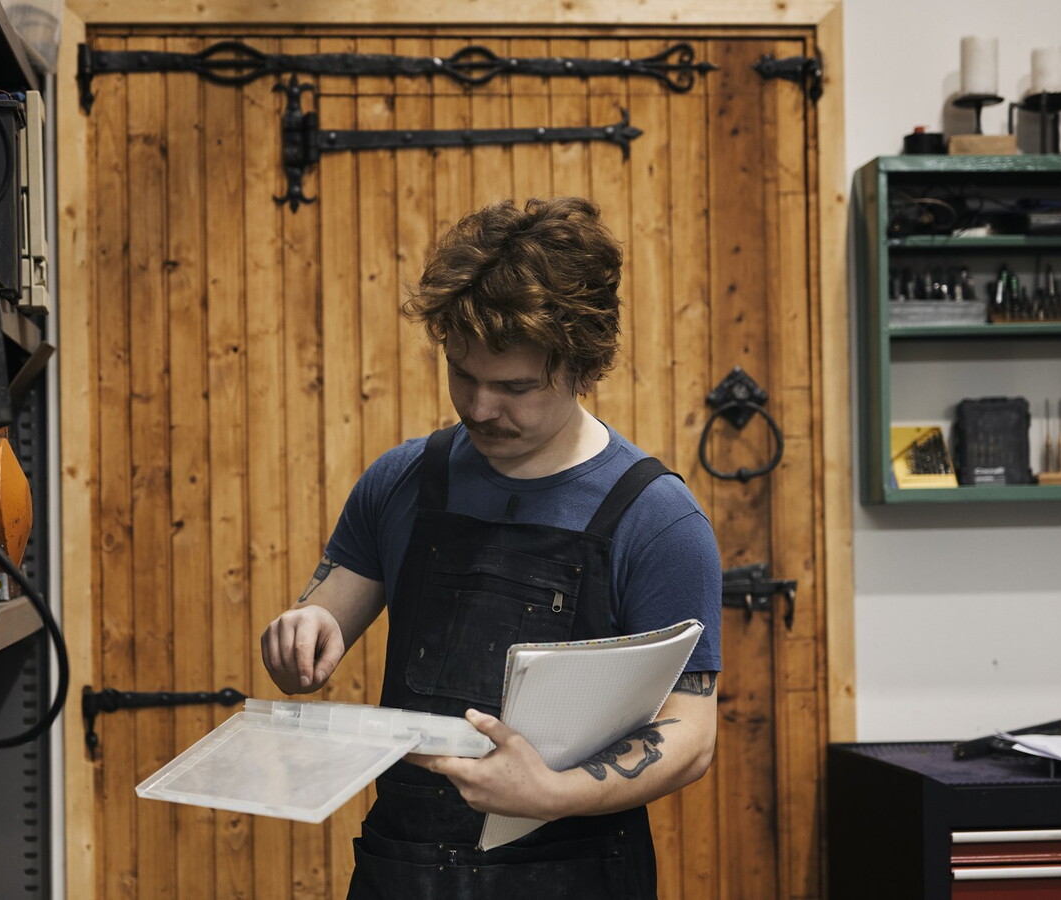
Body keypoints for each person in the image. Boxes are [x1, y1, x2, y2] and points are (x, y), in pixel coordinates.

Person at [260, 196, 723, 899]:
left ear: (585, 369)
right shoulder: (402, 481)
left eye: (515, 388)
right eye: (463, 375)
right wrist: (301, 634)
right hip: (402, 872)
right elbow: (319, 627)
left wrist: (553, 792)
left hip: (572, 878)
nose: (479, 409)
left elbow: (690, 735)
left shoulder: (657, 520)